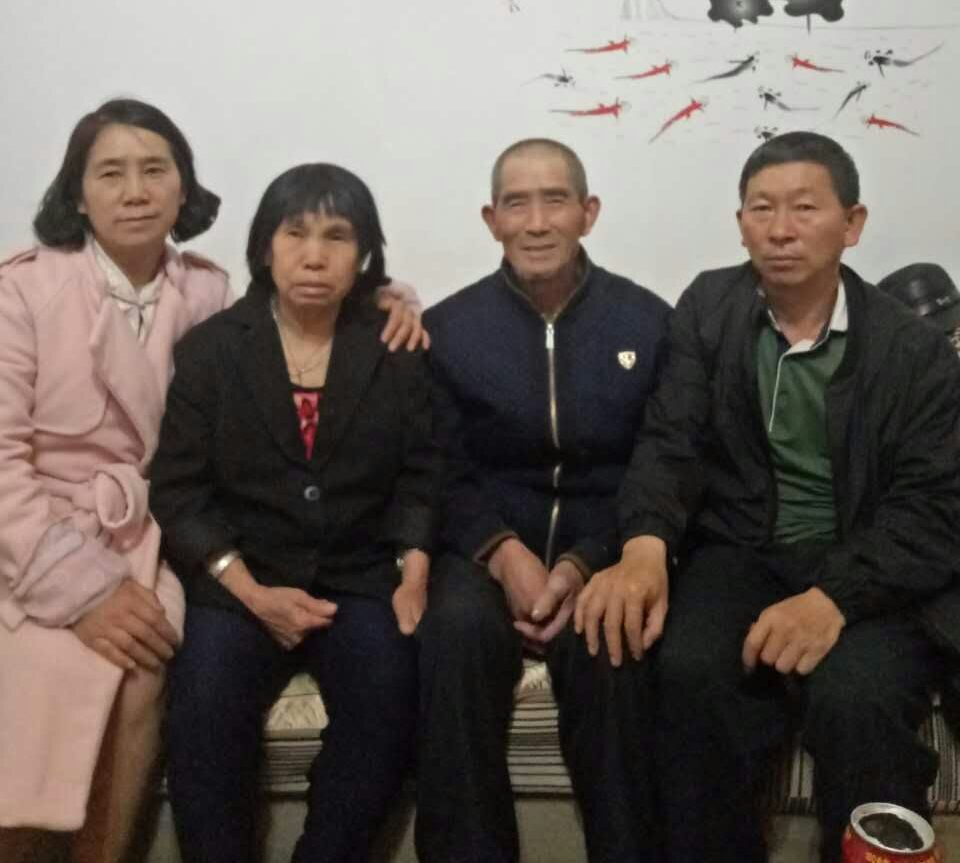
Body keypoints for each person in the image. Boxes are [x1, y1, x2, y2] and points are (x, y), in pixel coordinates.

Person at [0, 99, 424, 863]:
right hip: (37, 537)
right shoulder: (21, 290)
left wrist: (387, 297)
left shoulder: (203, 289)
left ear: (183, 188)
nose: (135, 191)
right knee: (74, 676)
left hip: (143, 536)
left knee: (146, 669)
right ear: (77, 193)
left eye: (154, 170)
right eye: (111, 173)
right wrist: (78, 587)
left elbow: (295, 338)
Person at [576, 131, 960, 862]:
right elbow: (671, 437)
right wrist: (645, 546)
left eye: (805, 208)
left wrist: (834, 598)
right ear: (741, 222)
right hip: (743, 547)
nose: (781, 229)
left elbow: (932, 508)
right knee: (690, 671)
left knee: (857, 695)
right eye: (762, 209)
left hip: (864, 560)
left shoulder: (912, 351)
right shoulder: (710, 306)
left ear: (852, 223)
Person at [148, 162, 437, 863]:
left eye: (337, 237)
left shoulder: (395, 347)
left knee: (391, 687)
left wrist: (414, 568)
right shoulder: (212, 350)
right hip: (240, 579)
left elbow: (423, 473)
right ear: (264, 247)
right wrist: (248, 590)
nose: (314, 255)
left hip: (357, 576)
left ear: (363, 255)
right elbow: (179, 491)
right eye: (295, 233)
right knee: (203, 702)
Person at [416, 138, 671, 862]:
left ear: (588, 212)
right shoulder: (448, 329)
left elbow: (657, 463)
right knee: (455, 634)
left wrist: (587, 561)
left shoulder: (647, 321)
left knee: (613, 645)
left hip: (605, 544)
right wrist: (502, 554)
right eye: (516, 204)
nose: (535, 222)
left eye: (555, 200)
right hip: (485, 543)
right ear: (491, 219)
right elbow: (439, 467)